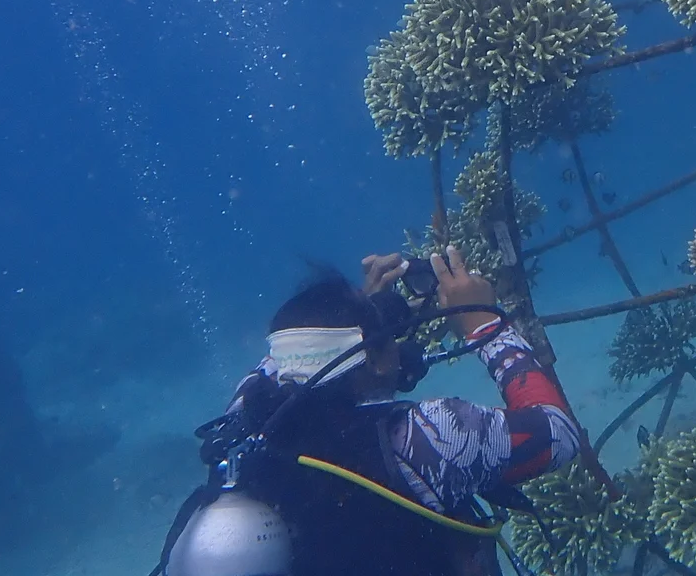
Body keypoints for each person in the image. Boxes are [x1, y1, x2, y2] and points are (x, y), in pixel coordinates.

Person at [161, 247, 580, 576]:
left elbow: (288, 358)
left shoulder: (246, 417)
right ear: (379, 360)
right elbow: (559, 433)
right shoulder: (429, 437)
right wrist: (485, 326)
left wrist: (370, 310)